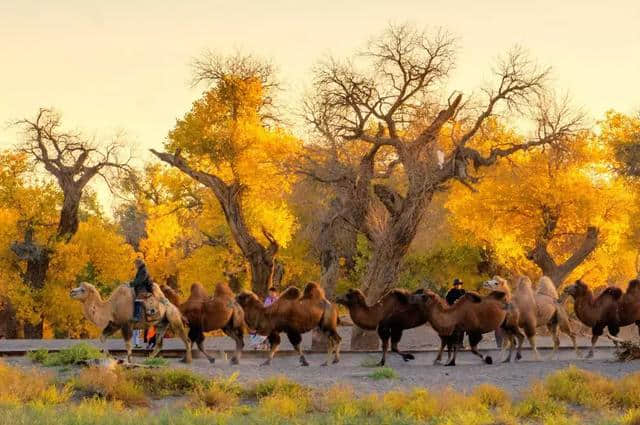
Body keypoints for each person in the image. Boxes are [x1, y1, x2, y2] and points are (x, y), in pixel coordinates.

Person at [445, 278, 466, 348]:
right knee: (454, 328)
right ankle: (453, 343)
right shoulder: (450, 292)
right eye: (457, 284)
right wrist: (453, 303)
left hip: (462, 312)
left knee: (462, 329)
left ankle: (460, 343)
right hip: (453, 312)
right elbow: (447, 301)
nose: (458, 286)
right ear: (454, 285)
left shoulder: (463, 292)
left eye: (459, 284)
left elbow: (466, 301)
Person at [131, 258, 153, 322]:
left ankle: (137, 317)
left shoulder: (143, 270)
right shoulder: (141, 270)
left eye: (136, 264)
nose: (135, 266)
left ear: (139, 264)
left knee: (137, 301)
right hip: (140, 288)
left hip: (144, 289)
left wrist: (131, 284)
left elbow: (140, 280)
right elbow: (137, 280)